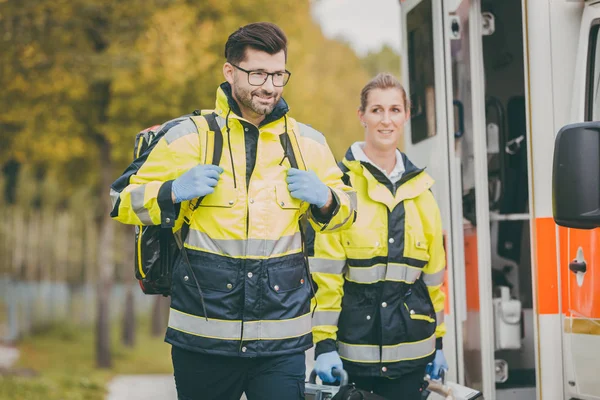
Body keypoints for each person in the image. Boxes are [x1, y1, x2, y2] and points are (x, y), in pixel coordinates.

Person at [110, 22, 356, 400]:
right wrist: (171, 191)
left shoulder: (309, 143)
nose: (270, 86)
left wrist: (326, 198)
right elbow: (120, 200)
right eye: (257, 73)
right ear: (230, 71)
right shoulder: (186, 137)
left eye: (278, 74)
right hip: (202, 342)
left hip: (281, 344)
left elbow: (348, 215)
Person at [308, 73, 448, 399]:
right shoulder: (339, 188)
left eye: (395, 110)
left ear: (406, 116)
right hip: (352, 360)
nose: (386, 120)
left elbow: (433, 281)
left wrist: (438, 343)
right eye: (377, 110)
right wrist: (324, 346)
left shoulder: (423, 192)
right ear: (362, 116)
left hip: (413, 359)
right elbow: (325, 279)